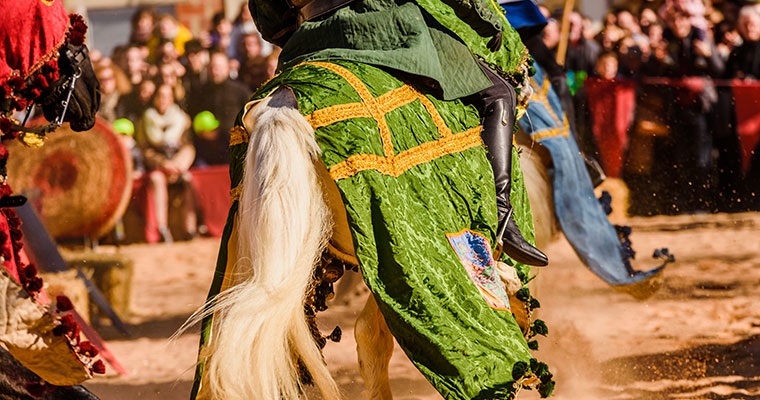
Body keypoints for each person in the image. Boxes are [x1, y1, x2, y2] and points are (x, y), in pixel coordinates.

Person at [136, 83, 196, 242]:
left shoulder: (182, 119)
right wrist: (163, 163)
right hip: (157, 166)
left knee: (189, 180)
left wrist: (177, 165)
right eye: (160, 96)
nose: (163, 100)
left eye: (167, 96)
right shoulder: (146, 119)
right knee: (157, 180)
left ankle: (190, 229)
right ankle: (162, 229)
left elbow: (188, 146)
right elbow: (144, 149)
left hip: (177, 165)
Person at [186, 50, 250, 166]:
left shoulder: (240, 91)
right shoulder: (200, 92)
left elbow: (251, 117)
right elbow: (192, 115)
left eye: (218, 68)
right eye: (211, 68)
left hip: (234, 148)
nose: (214, 71)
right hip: (205, 148)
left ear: (227, 68)